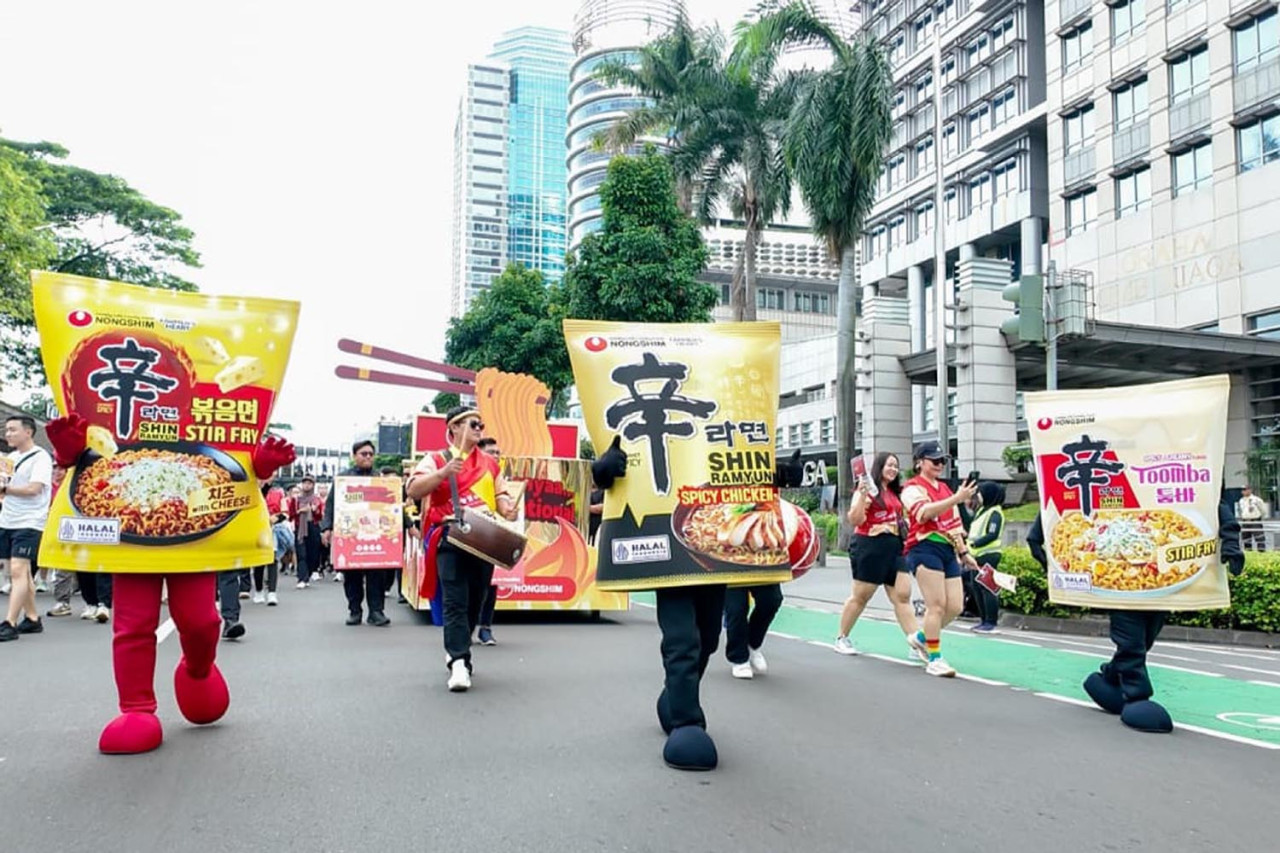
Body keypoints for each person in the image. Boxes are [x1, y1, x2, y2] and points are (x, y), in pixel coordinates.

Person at [44, 413, 295, 753]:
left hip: (198, 530)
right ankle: (136, 709)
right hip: (126, 534)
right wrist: (70, 448)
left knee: (201, 620)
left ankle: (197, 670)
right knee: (132, 625)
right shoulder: (118, 404)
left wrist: (261, 465)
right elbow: (85, 460)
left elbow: (237, 459)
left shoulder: (214, 401)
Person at [407, 407, 518, 692]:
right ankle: (458, 662)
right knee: (455, 600)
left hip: (484, 540)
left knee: (475, 602)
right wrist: (444, 473)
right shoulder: (435, 459)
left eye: (481, 424)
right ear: (454, 428)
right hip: (450, 537)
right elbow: (414, 490)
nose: (479, 428)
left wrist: (507, 507)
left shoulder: (491, 464)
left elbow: (501, 495)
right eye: (473, 424)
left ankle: (459, 648)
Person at [833, 451, 925, 659]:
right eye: (889, 465)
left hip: (895, 547)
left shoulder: (894, 492)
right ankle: (842, 637)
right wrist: (864, 495)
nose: (893, 469)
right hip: (869, 547)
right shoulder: (867, 490)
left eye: (896, 466)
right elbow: (855, 520)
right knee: (861, 596)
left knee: (902, 595)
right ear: (879, 467)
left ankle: (915, 643)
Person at [900, 441, 978, 677]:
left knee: (955, 606)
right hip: (924, 547)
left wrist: (964, 553)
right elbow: (923, 514)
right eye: (934, 460)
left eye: (942, 461)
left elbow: (954, 526)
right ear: (919, 462)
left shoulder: (945, 489)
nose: (940, 465)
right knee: (936, 605)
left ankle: (921, 637)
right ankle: (935, 658)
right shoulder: (911, 488)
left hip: (947, 549)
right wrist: (957, 498)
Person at [322, 441, 391, 627]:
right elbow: (330, 505)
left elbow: (393, 505)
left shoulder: (381, 479)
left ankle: (376, 612)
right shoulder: (343, 479)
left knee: (377, 575)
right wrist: (326, 528)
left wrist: (408, 526)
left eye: (370, 454)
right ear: (354, 456)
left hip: (376, 535)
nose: (368, 457)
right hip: (350, 535)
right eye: (363, 453)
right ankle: (355, 611)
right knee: (352, 576)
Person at [0, 415, 54, 641]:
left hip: (30, 521)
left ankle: (9, 622)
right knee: (17, 573)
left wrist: (6, 489)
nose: (8, 434)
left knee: (18, 571)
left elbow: (34, 489)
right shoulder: (10, 457)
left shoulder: (41, 457)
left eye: (13, 430)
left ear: (28, 432)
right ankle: (32, 618)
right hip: (8, 519)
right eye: (7, 430)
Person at [963, 482, 1006, 633]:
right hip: (976, 556)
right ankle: (983, 620)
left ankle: (990, 622)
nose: (978, 496)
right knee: (976, 588)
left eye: (980, 492)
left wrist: (975, 544)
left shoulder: (995, 512)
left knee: (988, 588)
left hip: (989, 555)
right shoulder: (982, 510)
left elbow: (992, 534)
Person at [474, 437, 502, 646]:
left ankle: (485, 628)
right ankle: (465, 628)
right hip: (469, 535)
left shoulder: (500, 478)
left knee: (490, 586)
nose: (496, 456)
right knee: (466, 586)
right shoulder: (470, 476)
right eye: (491, 452)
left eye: (498, 453)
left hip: (493, 537)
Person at [251, 477, 287, 606]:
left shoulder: (278, 493)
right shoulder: (251, 492)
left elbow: (285, 513)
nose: (264, 481)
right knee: (258, 562)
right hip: (254, 530)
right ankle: (259, 591)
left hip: (272, 530)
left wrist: (276, 518)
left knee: (272, 560)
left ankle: (272, 593)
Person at [293, 476, 323, 588]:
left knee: (312, 553)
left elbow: (319, 516)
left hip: (313, 527)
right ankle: (301, 577)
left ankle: (308, 574)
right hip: (300, 527)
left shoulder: (316, 499)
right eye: (305, 483)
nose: (307, 485)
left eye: (309, 483)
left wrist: (315, 510)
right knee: (301, 553)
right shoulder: (296, 499)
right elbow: (291, 514)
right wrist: (300, 511)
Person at [1236, 485, 1267, 551]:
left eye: (1245, 489)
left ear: (1250, 490)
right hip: (1245, 521)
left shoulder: (1256, 500)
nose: (1243, 491)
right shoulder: (1241, 500)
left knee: (1259, 538)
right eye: (1242, 490)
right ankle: (1248, 553)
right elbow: (1240, 511)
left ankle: (1261, 553)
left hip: (1255, 521)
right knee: (1246, 539)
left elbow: (1263, 510)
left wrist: (1261, 519)